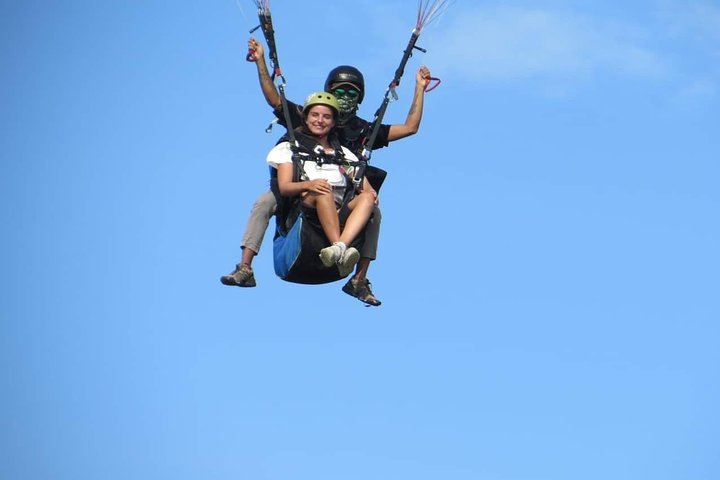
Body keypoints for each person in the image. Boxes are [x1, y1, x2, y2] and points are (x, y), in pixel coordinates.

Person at [221, 37, 431, 306]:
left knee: (374, 211)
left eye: (351, 94)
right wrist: (261, 61)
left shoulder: (362, 131)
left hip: (343, 188)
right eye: (339, 92)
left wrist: (419, 88)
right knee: (264, 201)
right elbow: (274, 98)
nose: (322, 120)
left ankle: (358, 279)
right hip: (300, 185)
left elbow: (410, 127)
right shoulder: (308, 116)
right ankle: (245, 267)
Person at [268, 92, 376, 277]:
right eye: (315, 115)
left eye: (326, 117)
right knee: (324, 189)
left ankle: (340, 247)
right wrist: (309, 185)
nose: (320, 120)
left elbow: (366, 187)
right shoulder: (289, 149)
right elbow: (285, 187)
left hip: (339, 210)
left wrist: (370, 192)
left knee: (367, 198)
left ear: (334, 122)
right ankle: (339, 247)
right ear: (306, 118)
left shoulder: (343, 155)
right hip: (307, 207)